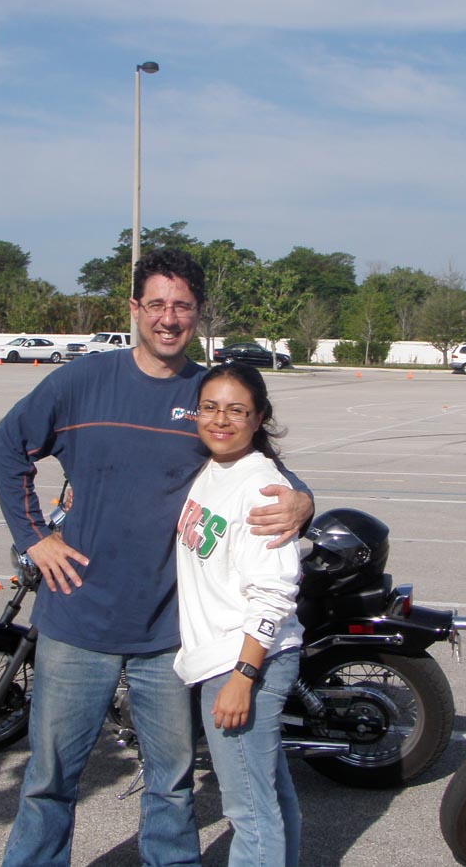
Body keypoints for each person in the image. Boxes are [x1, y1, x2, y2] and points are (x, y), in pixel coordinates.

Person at [0, 247, 313, 867]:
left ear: (198, 312)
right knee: (49, 781)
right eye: (157, 304)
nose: (169, 318)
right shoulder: (82, 381)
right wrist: (34, 536)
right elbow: (7, 447)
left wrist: (303, 501)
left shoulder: (209, 395)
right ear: (135, 308)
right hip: (77, 620)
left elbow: (264, 469)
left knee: (171, 784)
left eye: (182, 306)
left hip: (167, 634)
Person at [175, 363, 302, 867]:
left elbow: (274, 593)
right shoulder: (214, 468)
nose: (220, 420)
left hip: (243, 660)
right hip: (226, 657)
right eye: (210, 408)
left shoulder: (262, 489)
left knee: (248, 811)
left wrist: (242, 677)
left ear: (259, 417)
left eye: (236, 410)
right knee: (269, 795)